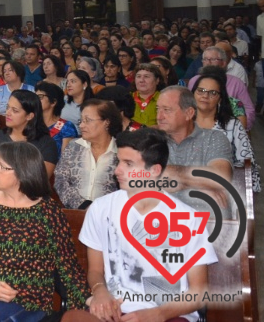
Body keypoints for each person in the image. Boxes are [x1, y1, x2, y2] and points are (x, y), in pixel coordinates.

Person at [66, 129, 215, 322]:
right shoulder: (101, 208)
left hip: (168, 314)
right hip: (116, 309)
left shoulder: (187, 218)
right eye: (118, 161)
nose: (117, 170)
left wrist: (158, 314)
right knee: (72, 318)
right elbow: (95, 270)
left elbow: (198, 291)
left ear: (154, 170)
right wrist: (100, 291)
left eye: (128, 164)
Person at [0, 141, 89, 322]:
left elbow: (67, 266)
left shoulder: (48, 212)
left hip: (28, 296)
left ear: (22, 172)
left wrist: (90, 299)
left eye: (1, 167)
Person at [154, 86, 233, 213]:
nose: (159, 116)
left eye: (166, 110)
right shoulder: (152, 140)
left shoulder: (213, 138)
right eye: (158, 109)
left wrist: (169, 175)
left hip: (209, 223)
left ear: (189, 113)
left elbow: (220, 177)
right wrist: (199, 184)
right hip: (161, 222)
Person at [191, 68, 260, 192]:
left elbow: (246, 163)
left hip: (224, 190)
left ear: (220, 98)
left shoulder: (233, 126)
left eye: (212, 93)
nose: (205, 96)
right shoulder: (182, 123)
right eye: (200, 91)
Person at [0, 90, 58, 193]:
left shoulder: (47, 144)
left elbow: (38, 183)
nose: (8, 113)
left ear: (29, 116)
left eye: (15, 110)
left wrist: (14, 199)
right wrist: (4, 198)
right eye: (7, 107)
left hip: (28, 202)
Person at [54, 99, 121, 209]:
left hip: (109, 216)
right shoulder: (73, 146)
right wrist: (82, 205)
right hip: (75, 214)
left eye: (87, 120)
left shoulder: (120, 152)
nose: (81, 125)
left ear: (106, 122)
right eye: (81, 121)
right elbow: (60, 180)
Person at [35, 80, 79, 157]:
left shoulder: (66, 127)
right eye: (35, 97)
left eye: (40, 97)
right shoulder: (31, 124)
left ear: (53, 102)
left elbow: (66, 159)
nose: (35, 100)